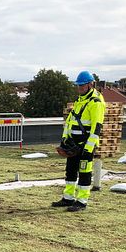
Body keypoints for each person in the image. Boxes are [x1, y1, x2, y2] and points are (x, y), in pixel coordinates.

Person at [52, 70, 106, 212]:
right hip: (73, 143)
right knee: (70, 171)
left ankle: (82, 201)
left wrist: (89, 147)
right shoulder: (79, 101)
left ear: (90, 85)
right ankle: (68, 197)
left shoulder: (96, 102)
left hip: (86, 144)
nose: (79, 88)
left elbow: (97, 126)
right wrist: (65, 138)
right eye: (78, 86)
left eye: (82, 85)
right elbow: (70, 121)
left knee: (84, 172)